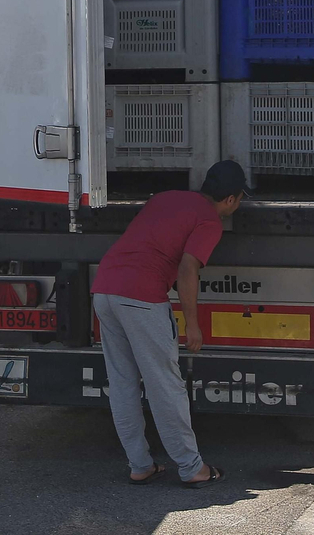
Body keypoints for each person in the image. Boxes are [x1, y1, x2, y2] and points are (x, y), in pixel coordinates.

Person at [90, 160, 247, 488]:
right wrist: (193, 325)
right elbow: (188, 268)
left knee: (122, 382)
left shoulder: (164, 198)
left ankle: (140, 465)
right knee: (164, 384)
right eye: (240, 198)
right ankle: (192, 468)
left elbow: (153, 242)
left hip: (105, 288)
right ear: (230, 200)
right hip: (140, 296)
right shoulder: (210, 220)